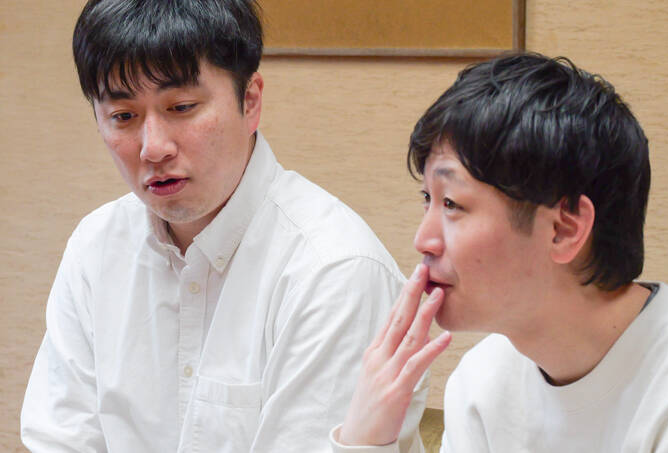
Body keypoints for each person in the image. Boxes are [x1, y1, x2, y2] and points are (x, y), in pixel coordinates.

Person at [20, 1, 426, 451]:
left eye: (181, 107)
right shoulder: (96, 245)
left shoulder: (334, 270)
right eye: (123, 117)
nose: (153, 148)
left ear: (249, 102)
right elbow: (59, 439)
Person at [332, 53, 668, 452]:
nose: (423, 240)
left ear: (564, 230)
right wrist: (366, 440)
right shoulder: (483, 383)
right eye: (428, 198)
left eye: (452, 204)